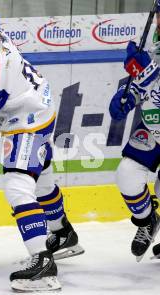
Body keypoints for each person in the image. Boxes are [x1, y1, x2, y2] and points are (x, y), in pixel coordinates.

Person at [0, 7, 84, 292]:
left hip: (27, 121)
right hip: (41, 105)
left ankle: (42, 262)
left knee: (17, 186)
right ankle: (63, 235)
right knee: (42, 180)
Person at [108, 4, 160, 262]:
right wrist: (126, 97)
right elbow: (143, 84)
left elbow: (152, 76)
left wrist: (150, 73)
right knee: (127, 174)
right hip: (153, 126)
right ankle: (147, 221)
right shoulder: (152, 37)